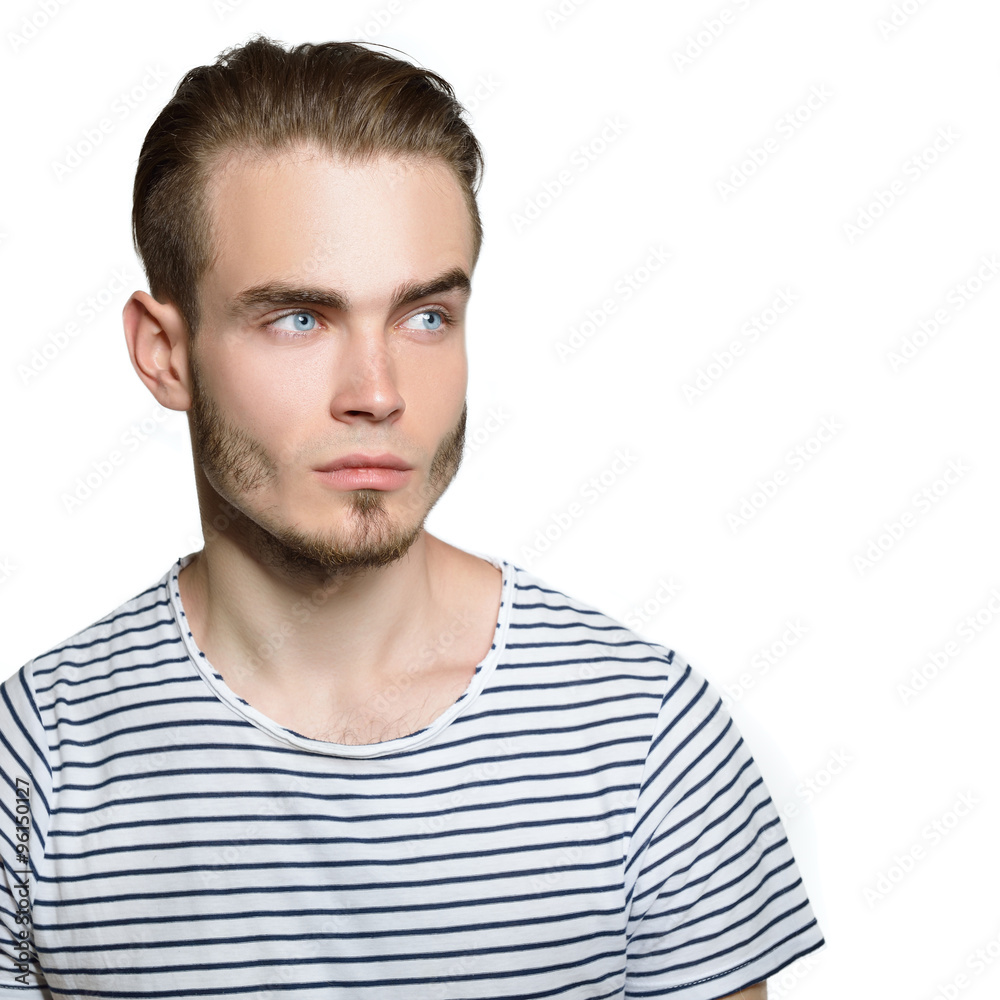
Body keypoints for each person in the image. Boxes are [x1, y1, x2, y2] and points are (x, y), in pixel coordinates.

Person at [0, 35, 824, 999]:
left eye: (424, 316)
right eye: (299, 318)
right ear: (165, 354)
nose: (378, 392)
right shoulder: (37, 766)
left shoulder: (645, 736)